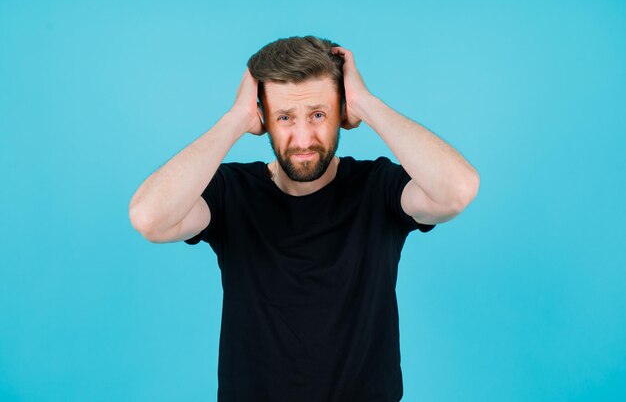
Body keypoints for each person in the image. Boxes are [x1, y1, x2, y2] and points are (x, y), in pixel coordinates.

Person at [129, 35, 479, 402]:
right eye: (284, 117)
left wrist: (366, 103)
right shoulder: (231, 193)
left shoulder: (379, 189)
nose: (302, 138)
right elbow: (149, 219)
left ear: (342, 113)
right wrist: (234, 119)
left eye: (317, 114)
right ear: (263, 118)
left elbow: (457, 190)